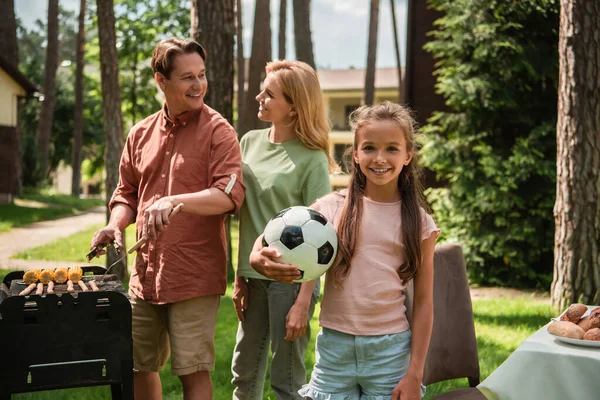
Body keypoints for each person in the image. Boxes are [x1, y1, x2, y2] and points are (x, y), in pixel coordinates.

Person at [89, 37, 245, 400]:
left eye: (202, 75)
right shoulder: (140, 133)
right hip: (145, 275)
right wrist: (115, 224)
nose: (198, 85)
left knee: (193, 370)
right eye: (187, 77)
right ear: (162, 81)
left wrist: (174, 201)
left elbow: (228, 195)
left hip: (193, 273)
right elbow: (126, 193)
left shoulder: (219, 131)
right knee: (139, 364)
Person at [253, 101, 439, 400]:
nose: (380, 158)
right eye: (369, 148)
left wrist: (415, 372)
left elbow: (425, 304)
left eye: (392, 148)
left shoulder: (419, 223)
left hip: (390, 352)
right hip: (334, 349)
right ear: (355, 153)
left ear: (408, 155)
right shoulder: (331, 208)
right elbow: (272, 235)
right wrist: (256, 255)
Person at [231, 60, 336, 400]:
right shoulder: (248, 142)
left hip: (290, 283)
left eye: (269, 93)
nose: (259, 97)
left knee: (286, 380)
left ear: (293, 107)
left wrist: (304, 301)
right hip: (252, 274)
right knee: (243, 374)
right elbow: (245, 215)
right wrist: (239, 276)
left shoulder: (312, 158)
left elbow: (321, 236)